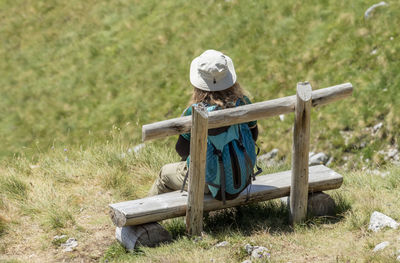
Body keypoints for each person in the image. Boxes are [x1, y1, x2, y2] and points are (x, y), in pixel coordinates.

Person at [148, 49, 258, 196]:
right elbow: (253, 135)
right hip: (243, 177)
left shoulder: (194, 111)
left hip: (209, 183)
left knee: (164, 174)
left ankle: (144, 218)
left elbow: (182, 149)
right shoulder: (243, 102)